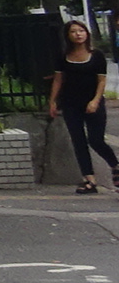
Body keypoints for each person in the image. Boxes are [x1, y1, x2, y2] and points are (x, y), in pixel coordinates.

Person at [46, 18, 114, 194]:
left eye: (81, 31)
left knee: (96, 140)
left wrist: (95, 101)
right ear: (68, 36)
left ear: (87, 33)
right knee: (78, 141)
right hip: (70, 103)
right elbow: (58, 80)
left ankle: (115, 165)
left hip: (93, 102)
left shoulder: (97, 55)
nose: (78, 34)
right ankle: (89, 179)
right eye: (74, 31)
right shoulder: (64, 57)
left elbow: (101, 81)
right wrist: (53, 101)